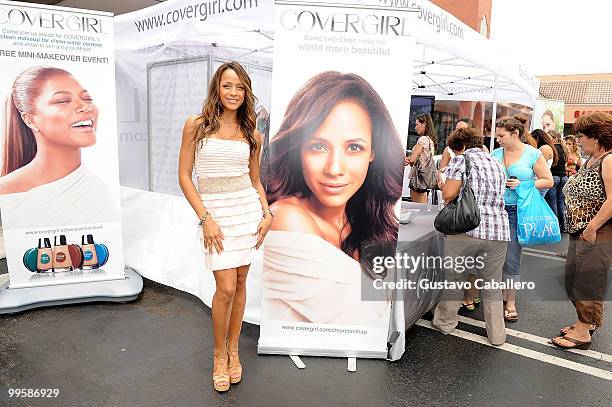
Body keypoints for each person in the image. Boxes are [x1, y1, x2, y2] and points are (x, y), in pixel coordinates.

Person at [262, 71, 402, 324]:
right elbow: (370, 318)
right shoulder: (286, 218)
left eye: (354, 147)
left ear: (373, 151)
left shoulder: (363, 220)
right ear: (298, 150)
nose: (334, 168)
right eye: (318, 146)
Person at [178, 62, 272, 392]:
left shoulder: (253, 133)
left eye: (240, 87)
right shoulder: (197, 125)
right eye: (227, 86)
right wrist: (205, 219)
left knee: (242, 280)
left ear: (246, 92)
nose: (233, 93)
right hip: (214, 215)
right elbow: (184, 177)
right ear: (217, 88)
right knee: (227, 287)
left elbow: (255, 180)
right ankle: (219, 355)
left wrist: (267, 212)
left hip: (246, 211)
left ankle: (234, 351)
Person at [0, 66, 119, 227]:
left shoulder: (97, 188)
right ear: (30, 120)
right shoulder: (6, 194)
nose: (86, 107)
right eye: (63, 101)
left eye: (88, 98)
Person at [432, 127, 510, 345]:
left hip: (466, 229)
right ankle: (497, 336)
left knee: (455, 279)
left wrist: (443, 183)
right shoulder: (496, 162)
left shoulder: (461, 161)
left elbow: (449, 194)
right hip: (498, 230)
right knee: (492, 283)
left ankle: (445, 323)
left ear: (462, 146)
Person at [551, 112, 612, 350]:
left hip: (597, 231)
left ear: (596, 138)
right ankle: (586, 322)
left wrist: (592, 226)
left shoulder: (608, 160)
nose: (577, 141)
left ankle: (583, 331)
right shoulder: (592, 160)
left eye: (581, 136)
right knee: (574, 281)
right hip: (582, 231)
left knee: (588, 282)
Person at [491, 118, 553, 322]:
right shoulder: (495, 154)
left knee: (511, 257)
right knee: (493, 257)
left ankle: (510, 302)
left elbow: (548, 181)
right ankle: (495, 294)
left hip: (517, 211)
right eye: (497, 135)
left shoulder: (533, 154)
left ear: (515, 133)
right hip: (494, 211)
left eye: (501, 136)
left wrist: (524, 184)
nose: (497, 139)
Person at [405, 114, 436, 203]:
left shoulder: (422, 139)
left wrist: (405, 159)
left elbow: (412, 160)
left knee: (418, 207)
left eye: (417, 124)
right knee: (423, 206)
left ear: (424, 124)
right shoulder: (430, 141)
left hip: (418, 178)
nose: (415, 128)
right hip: (425, 178)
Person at [545, 130, 568, 232]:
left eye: (549, 136)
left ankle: (555, 226)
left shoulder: (551, 148)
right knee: (561, 202)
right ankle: (563, 226)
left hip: (554, 177)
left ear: (554, 138)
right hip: (563, 177)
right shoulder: (564, 148)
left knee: (552, 203)